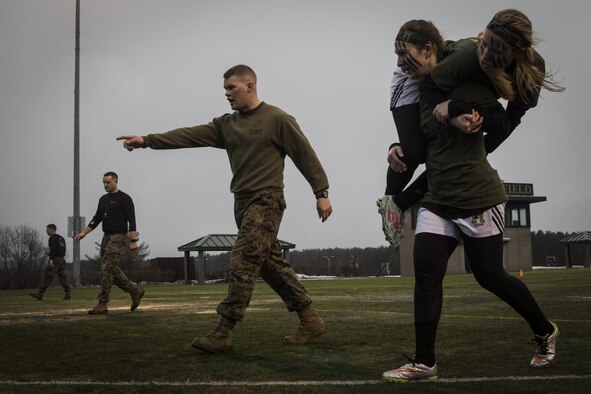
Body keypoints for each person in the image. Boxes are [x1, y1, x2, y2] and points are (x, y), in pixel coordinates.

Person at [381, 16, 560, 383]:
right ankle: (424, 362)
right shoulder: (422, 92)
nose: (488, 54)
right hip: (438, 199)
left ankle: (545, 330)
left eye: (407, 56)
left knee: (490, 276)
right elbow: (418, 141)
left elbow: (501, 123)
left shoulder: (469, 80)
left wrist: (459, 109)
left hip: (479, 197)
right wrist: (397, 148)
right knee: (427, 277)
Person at [117, 64, 333, 353]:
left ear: (250, 86)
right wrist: (147, 141)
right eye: (225, 90)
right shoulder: (226, 125)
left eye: (232, 88)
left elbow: (305, 155)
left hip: (267, 200)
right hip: (241, 203)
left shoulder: (277, 119)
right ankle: (310, 319)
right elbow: (189, 135)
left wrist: (321, 193)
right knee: (269, 265)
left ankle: (224, 331)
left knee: (242, 261)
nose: (227, 94)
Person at [377, 9, 564, 249]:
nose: (485, 55)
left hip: (441, 79)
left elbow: (509, 120)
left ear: (516, 51)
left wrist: (467, 119)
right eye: (483, 44)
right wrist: (450, 118)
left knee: (464, 153)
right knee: (416, 152)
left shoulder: (527, 72)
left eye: (495, 49)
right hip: (421, 83)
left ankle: (402, 201)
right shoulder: (466, 58)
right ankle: (391, 200)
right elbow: (429, 112)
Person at [75, 172, 145, 314]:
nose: (106, 185)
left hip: (118, 237)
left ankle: (102, 303)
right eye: (104, 183)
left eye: (108, 182)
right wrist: (83, 233)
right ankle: (134, 290)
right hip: (106, 237)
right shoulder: (103, 200)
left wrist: (133, 240)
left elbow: (132, 220)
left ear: (116, 181)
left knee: (108, 267)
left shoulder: (125, 198)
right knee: (109, 269)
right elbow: (96, 219)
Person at [30, 224, 72, 301]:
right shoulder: (61, 238)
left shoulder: (52, 238)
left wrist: (51, 260)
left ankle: (40, 293)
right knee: (64, 277)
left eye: (47, 229)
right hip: (62, 259)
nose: (46, 231)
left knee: (48, 276)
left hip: (55, 259)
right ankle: (67, 294)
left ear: (51, 229)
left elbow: (53, 249)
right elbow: (63, 249)